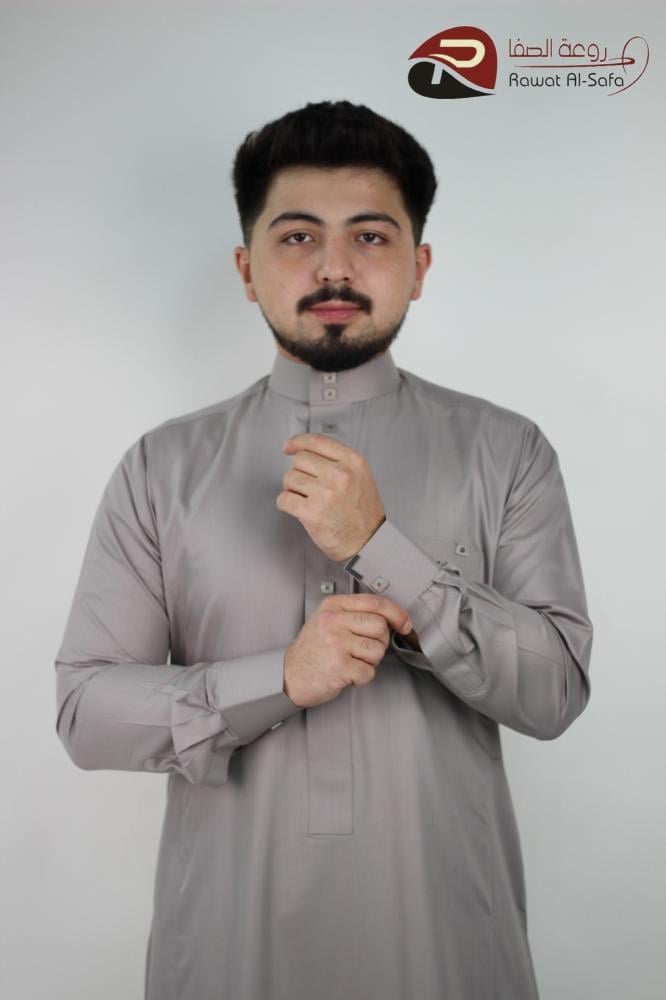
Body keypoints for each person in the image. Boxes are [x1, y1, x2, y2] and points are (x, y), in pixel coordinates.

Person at [54, 100, 593, 1000]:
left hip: (448, 951)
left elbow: (557, 693)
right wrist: (278, 678)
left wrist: (386, 551)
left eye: (370, 237)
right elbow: (86, 712)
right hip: (225, 956)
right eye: (298, 236)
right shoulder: (162, 466)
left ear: (419, 267)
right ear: (247, 268)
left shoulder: (508, 452)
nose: (334, 267)